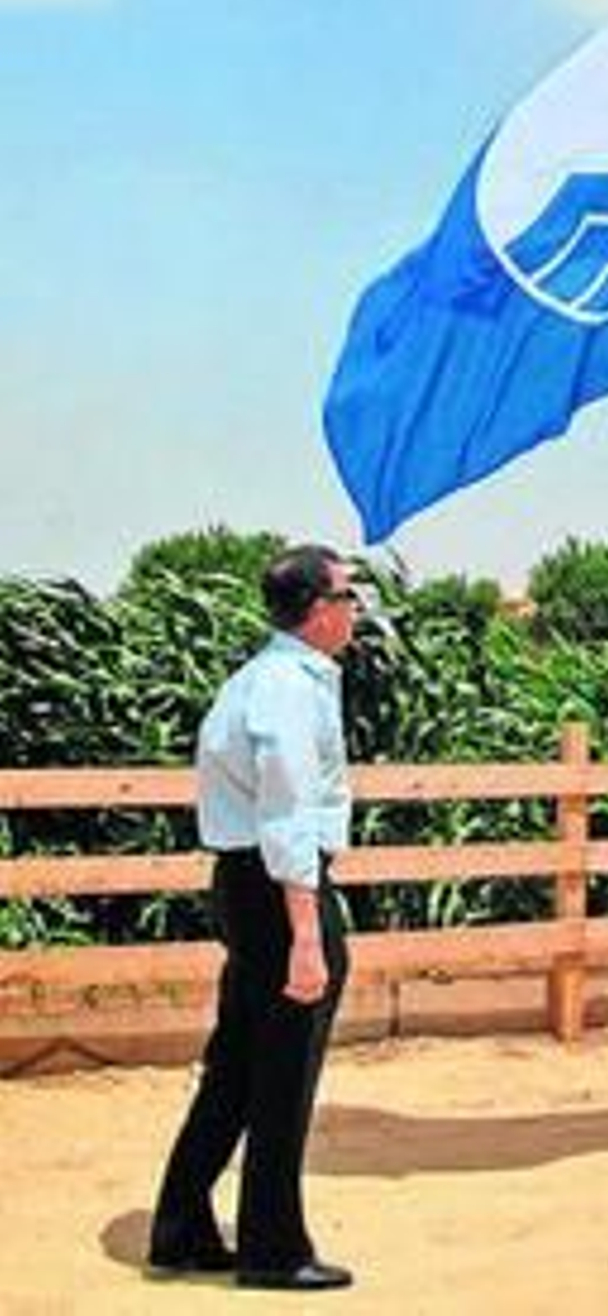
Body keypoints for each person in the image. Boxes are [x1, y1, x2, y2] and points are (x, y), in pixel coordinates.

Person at [148, 544, 359, 1291]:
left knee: (237, 1065)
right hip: (279, 888)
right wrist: (308, 934)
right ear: (318, 608)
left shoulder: (256, 680)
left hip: (246, 883)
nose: (356, 608)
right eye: (347, 595)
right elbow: (289, 813)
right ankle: (272, 1247)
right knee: (282, 1073)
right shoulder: (288, 689)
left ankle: (180, 1226)